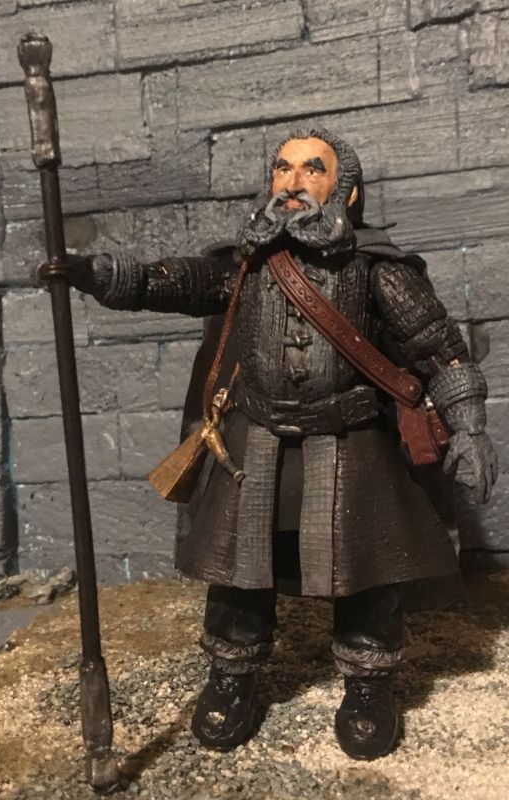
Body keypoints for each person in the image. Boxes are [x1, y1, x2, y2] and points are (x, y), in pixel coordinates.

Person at [55, 129, 497, 760]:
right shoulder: (247, 263)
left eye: (312, 169)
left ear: (347, 191)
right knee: (240, 570)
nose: (292, 183)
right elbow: (173, 281)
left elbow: (438, 348)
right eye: (282, 169)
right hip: (255, 438)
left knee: (363, 572)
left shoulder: (378, 268)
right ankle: (233, 675)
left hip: (349, 441)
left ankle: (369, 684)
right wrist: (100, 275)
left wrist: (470, 427)